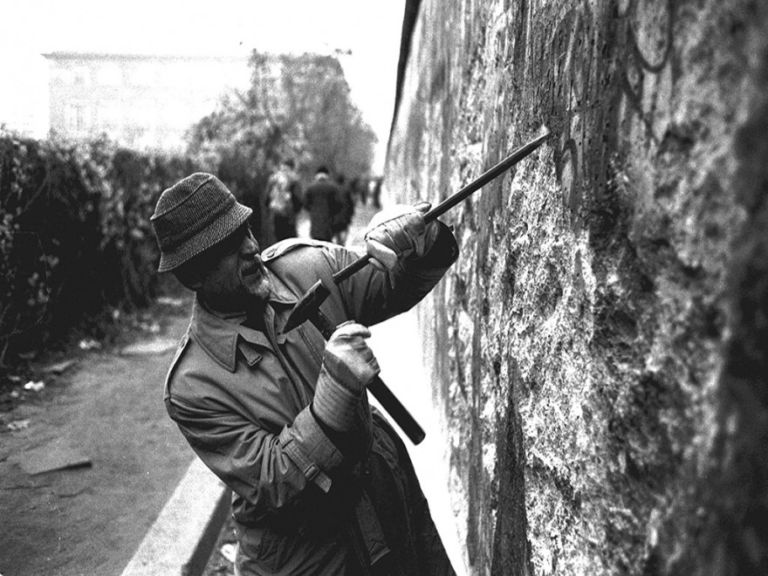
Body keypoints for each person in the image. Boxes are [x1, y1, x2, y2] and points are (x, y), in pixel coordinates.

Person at [150, 172, 458, 576]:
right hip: (309, 556)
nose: (250, 248)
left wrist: (419, 240)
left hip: (388, 504)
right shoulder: (194, 384)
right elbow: (272, 481)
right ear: (193, 276)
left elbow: (392, 284)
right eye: (228, 246)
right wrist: (332, 395)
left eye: (245, 229)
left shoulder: (305, 267)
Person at [303, 165, 344, 242]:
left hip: (314, 220)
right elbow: (339, 204)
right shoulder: (333, 188)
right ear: (327, 175)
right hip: (329, 222)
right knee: (326, 245)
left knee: (315, 244)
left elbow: (305, 204)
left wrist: (312, 210)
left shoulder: (310, 188)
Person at [266, 158, 302, 242]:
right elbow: (299, 201)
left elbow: (266, 199)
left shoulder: (273, 178)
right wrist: (295, 212)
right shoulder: (294, 179)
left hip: (275, 215)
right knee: (290, 244)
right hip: (289, 217)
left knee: (277, 243)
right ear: (292, 167)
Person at [332, 173, 355, 245]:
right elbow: (351, 203)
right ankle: (342, 243)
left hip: (335, 215)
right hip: (345, 214)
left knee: (337, 231)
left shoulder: (333, 190)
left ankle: (339, 242)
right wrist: (351, 213)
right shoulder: (347, 190)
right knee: (345, 230)